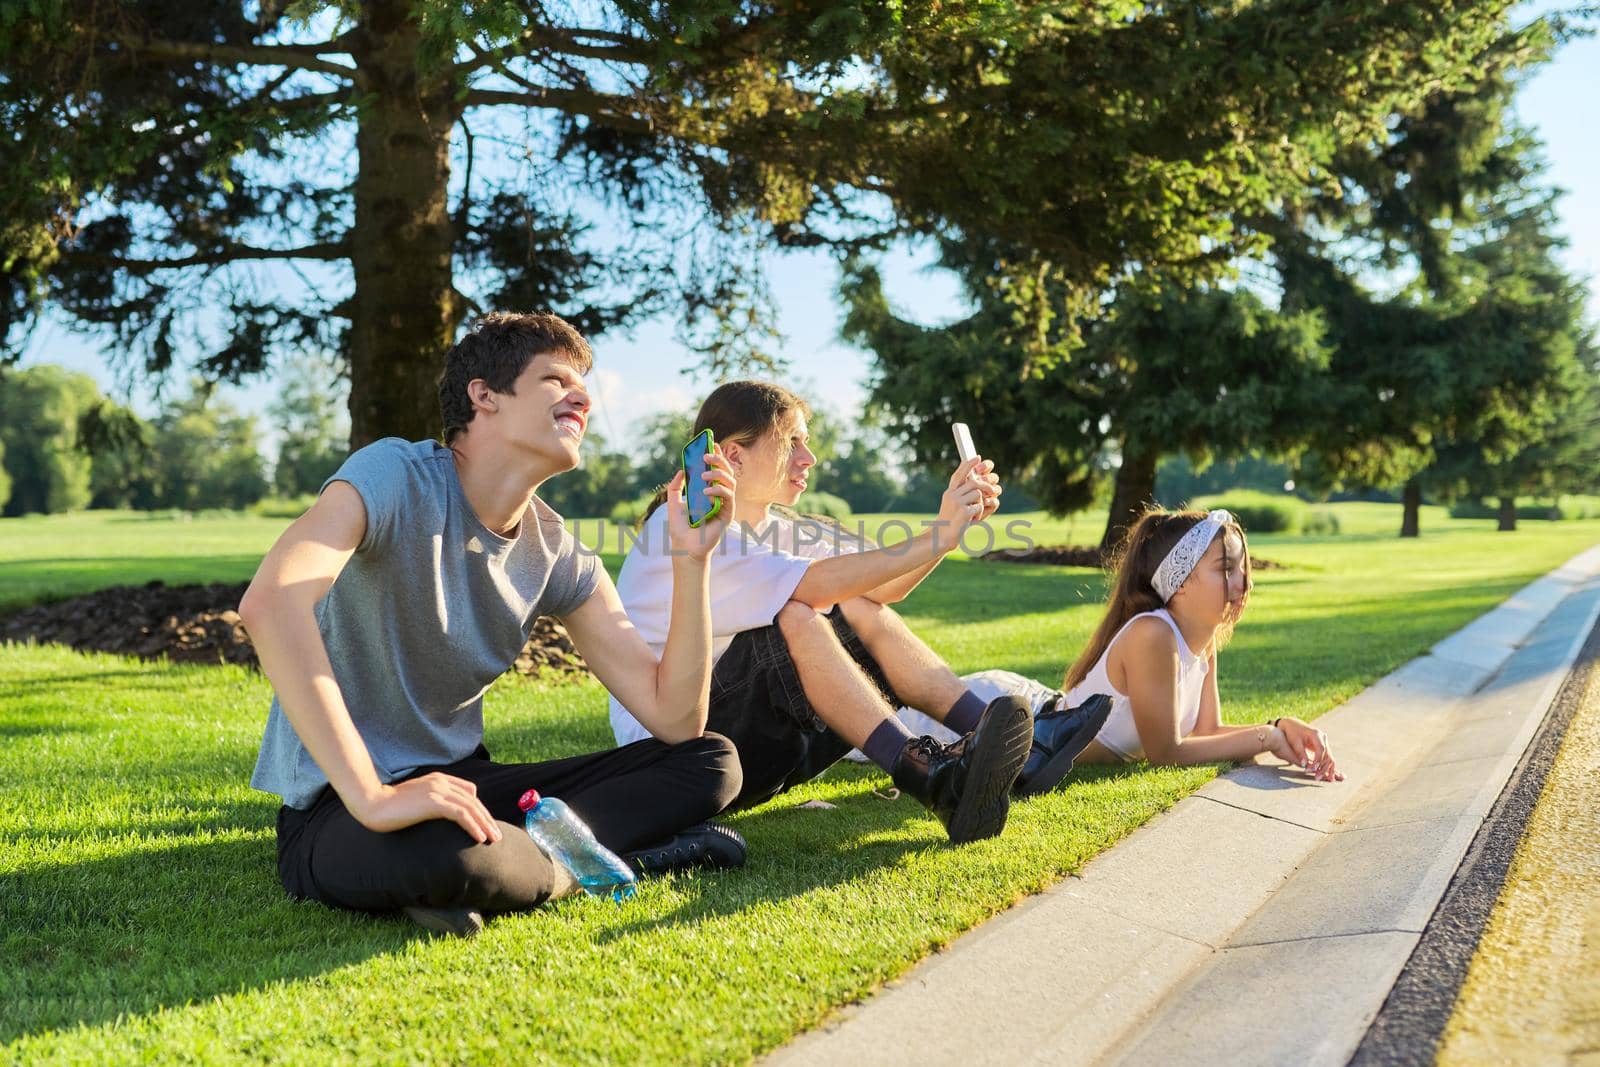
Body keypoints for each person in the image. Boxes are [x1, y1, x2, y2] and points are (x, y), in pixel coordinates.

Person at [242, 312, 746, 938]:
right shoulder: (393, 474)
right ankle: (598, 861)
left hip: (463, 787)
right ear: (484, 395)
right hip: (338, 803)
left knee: (712, 763)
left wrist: (693, 560)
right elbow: (272, 603)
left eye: (583, 385)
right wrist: (376, 797)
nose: (583, 397)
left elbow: (675, 719)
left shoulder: (558, 549)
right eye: (556, 381)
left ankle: (521, 867)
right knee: (449, 853)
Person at [608, 381, 1108, 844]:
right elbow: (816, 585)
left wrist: (949, 525)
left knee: (857, 603)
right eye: (792, 443)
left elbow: (883, 587)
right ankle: (928, 776)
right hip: (682, 756)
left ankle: (1028, 749)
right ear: (734, 456)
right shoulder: (687, 529)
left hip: (751, 747)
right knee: (799, 613)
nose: (810, 457)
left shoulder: (781, 526)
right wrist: (941, 533)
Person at [911, 508, 1342, 780]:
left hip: (1025, 712)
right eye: (1225, 568)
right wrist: (1265, 739)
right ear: (1180, 584)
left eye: (1242, 567)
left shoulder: (1202, 639)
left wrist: (1281, 726)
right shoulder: (1153, 635)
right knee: (873, 730)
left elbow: (1204, 733)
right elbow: (1166, 752)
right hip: (1000, 714)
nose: (1243, 580)